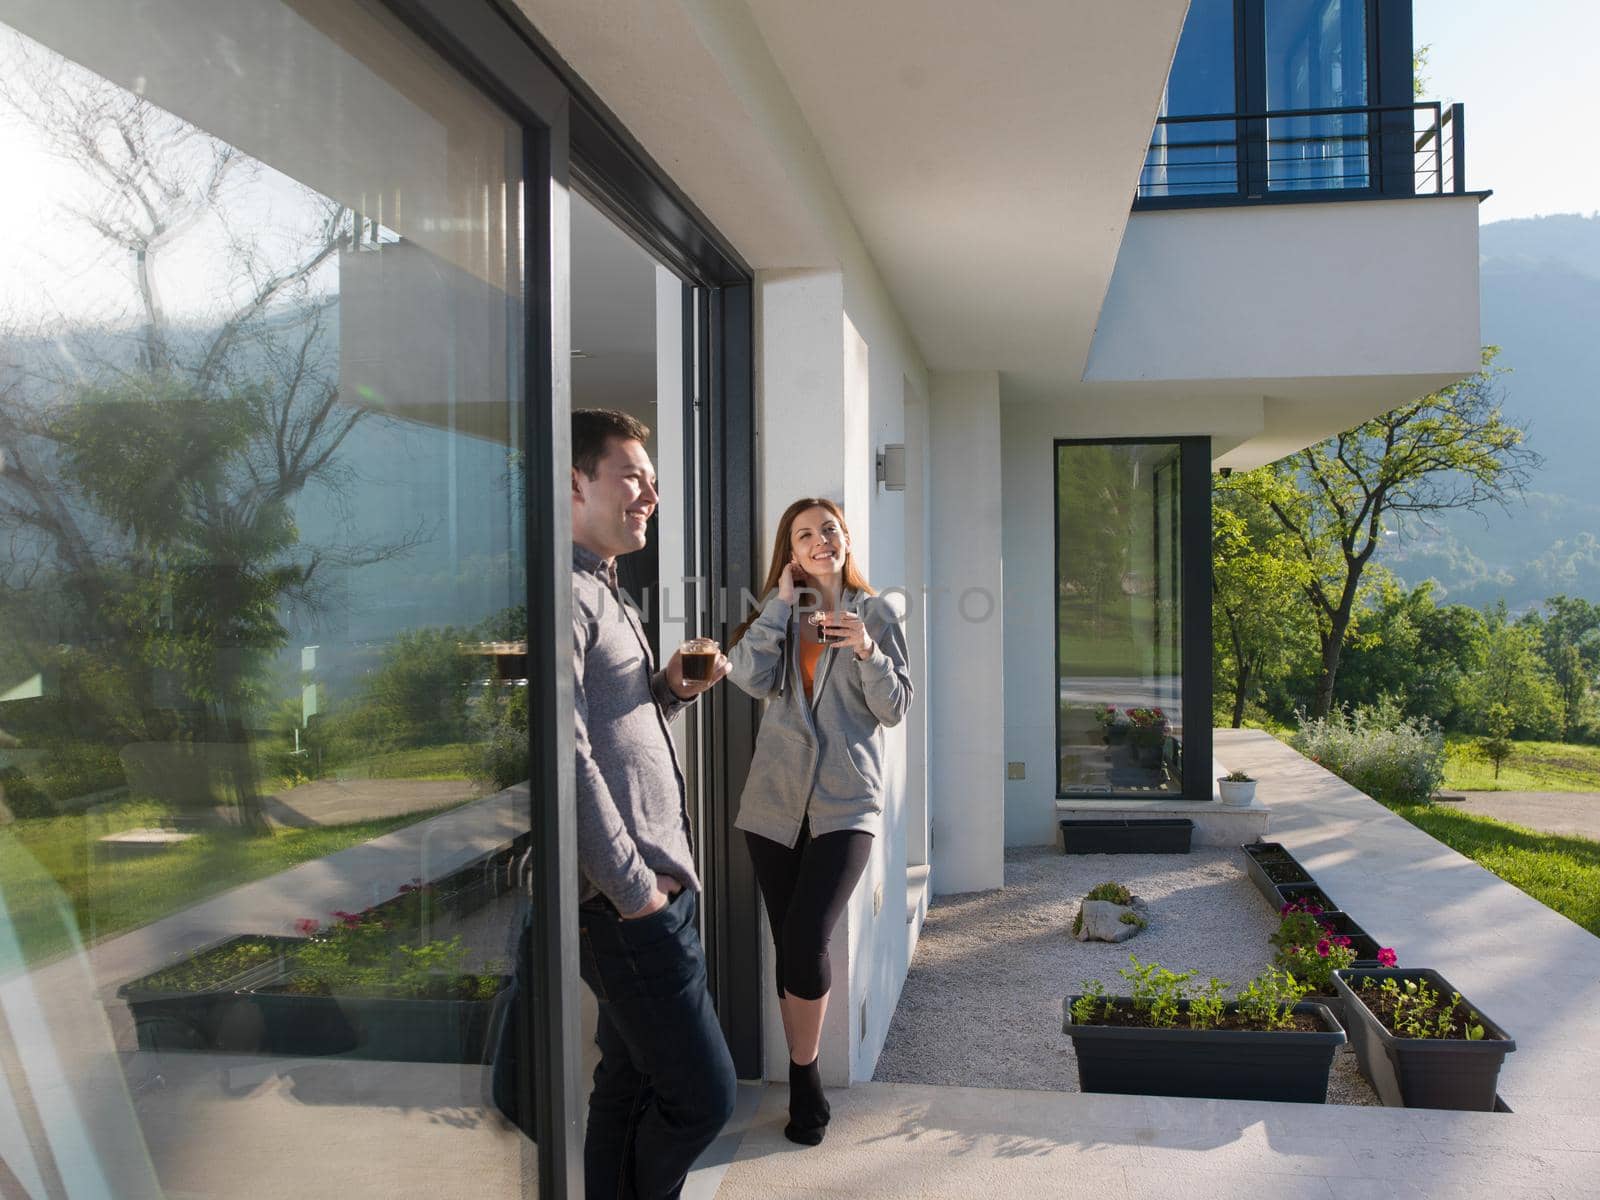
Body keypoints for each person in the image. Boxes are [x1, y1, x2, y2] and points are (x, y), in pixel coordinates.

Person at [569, 408, 737, 1199]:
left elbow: (614, 728)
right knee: (704, 1099)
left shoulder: (608, 590)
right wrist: (635, 890)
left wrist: (672, 688)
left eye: (652, 480)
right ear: (576, 481)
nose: (650, 494)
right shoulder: (566, 595)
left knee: (628, 1087)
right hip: (631, 907)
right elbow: (563, 758)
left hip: (651, 894)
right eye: (632, 475)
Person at [725, 497, 913, 1145]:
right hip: (774, 803)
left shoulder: (878, 613)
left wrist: (866, 650)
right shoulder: (780, 614)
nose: (818, 541)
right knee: (790, 945)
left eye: (827, 530)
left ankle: (803, 1073)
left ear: (845, 537)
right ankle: (804, 1075)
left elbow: (893, 710)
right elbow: (747, 678)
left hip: (845, 801)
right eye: (803, 535)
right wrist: (778, 605)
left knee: (807, 939)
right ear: (791, 550)